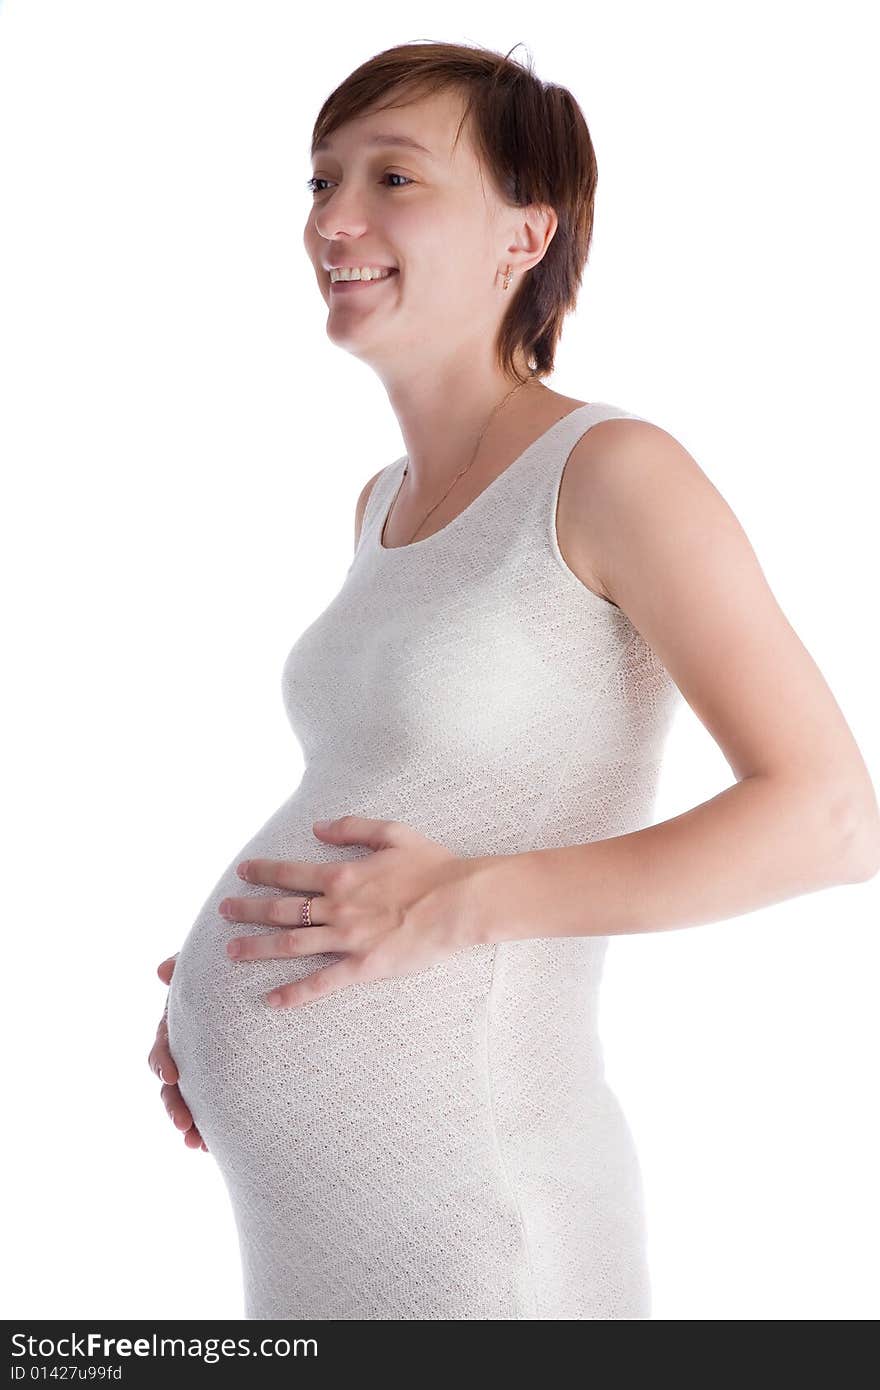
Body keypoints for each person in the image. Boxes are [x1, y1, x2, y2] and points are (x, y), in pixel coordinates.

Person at [147, 41, 880, 1320]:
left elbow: (830, 815)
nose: (336, 218)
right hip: (316, 1243)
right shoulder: (380, 506)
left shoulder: (613, 471)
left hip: (485, 1237)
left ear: (522, 233)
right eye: (319, 182)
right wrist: (242, 974)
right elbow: (416, 785)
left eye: (393, 178)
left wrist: (462, 904)